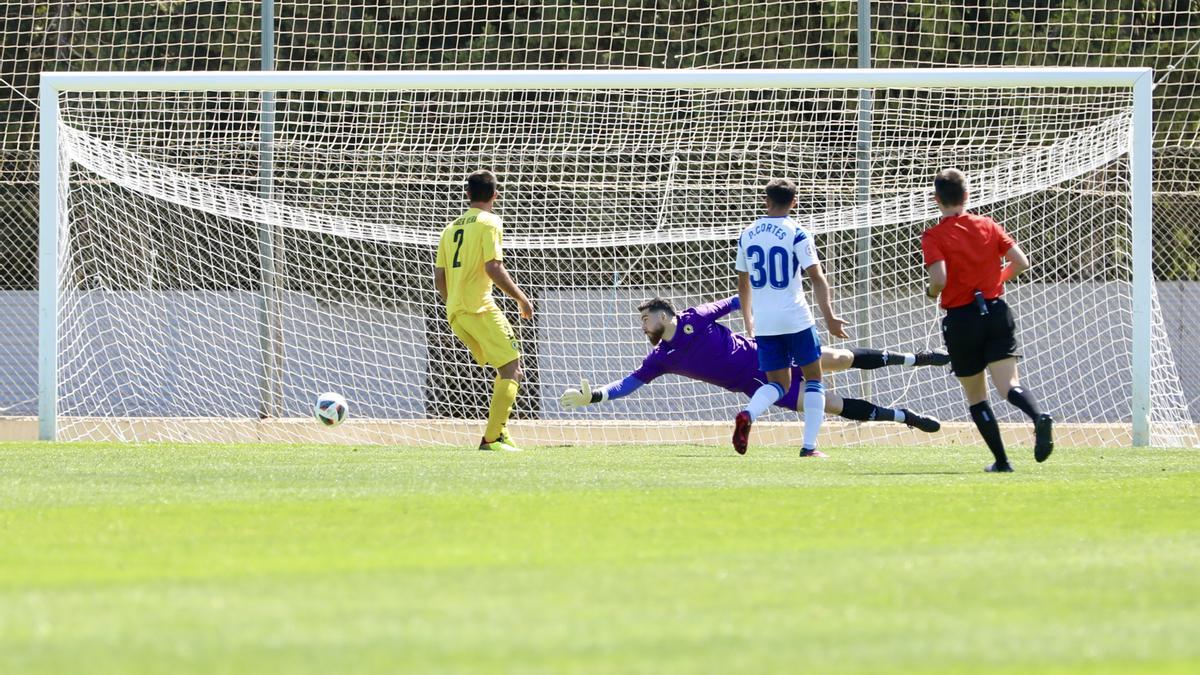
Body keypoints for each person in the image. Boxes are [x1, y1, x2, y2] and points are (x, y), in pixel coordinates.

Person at [558, 296, 946, 447]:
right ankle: (906, 417)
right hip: (758, 383)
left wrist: (760, 307)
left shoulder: (695, 317)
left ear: (664, 314)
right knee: (832, 404)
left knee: (840, 358)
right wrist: (597, 395)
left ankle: (915, 358)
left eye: (646, 319)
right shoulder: (662, 357)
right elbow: (630, 383)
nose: (643, 326)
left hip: (771, 352)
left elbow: (737, 299)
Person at [922, 168, 1054, 472]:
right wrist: (997, 280)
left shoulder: (934, 235)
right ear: (966, 196)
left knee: (976, 396)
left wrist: (932, 293)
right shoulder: (988, 225)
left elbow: (939, 279)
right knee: (1009, 385)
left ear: (936, 199)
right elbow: (1021, 262)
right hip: (995, 310)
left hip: (962, 319)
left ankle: (1002, 461)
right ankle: (1038, 417)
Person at [731, 178, 848, 457]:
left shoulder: (747, 234)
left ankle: (749, 413)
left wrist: (749, 320)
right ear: (794, 202)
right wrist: (830, 316)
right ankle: (809, 447)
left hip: (766, 323)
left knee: (778, 384)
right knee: (814, 380)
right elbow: (817, 278)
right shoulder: (797, 232)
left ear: (766, 201)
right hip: (796, 319)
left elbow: (742, 283)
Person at [434, 169, 534, 452]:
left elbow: (439, 277)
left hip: (455, 311)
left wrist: (454, 304)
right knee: (513, 369)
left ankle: (499, 431)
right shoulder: (490, 222)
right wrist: (521, 298)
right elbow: (493, 266)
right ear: (495, 195)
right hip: (480, 308)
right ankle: (491, 439)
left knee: (506, 370)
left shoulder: (449, 228)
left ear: (467, 194)